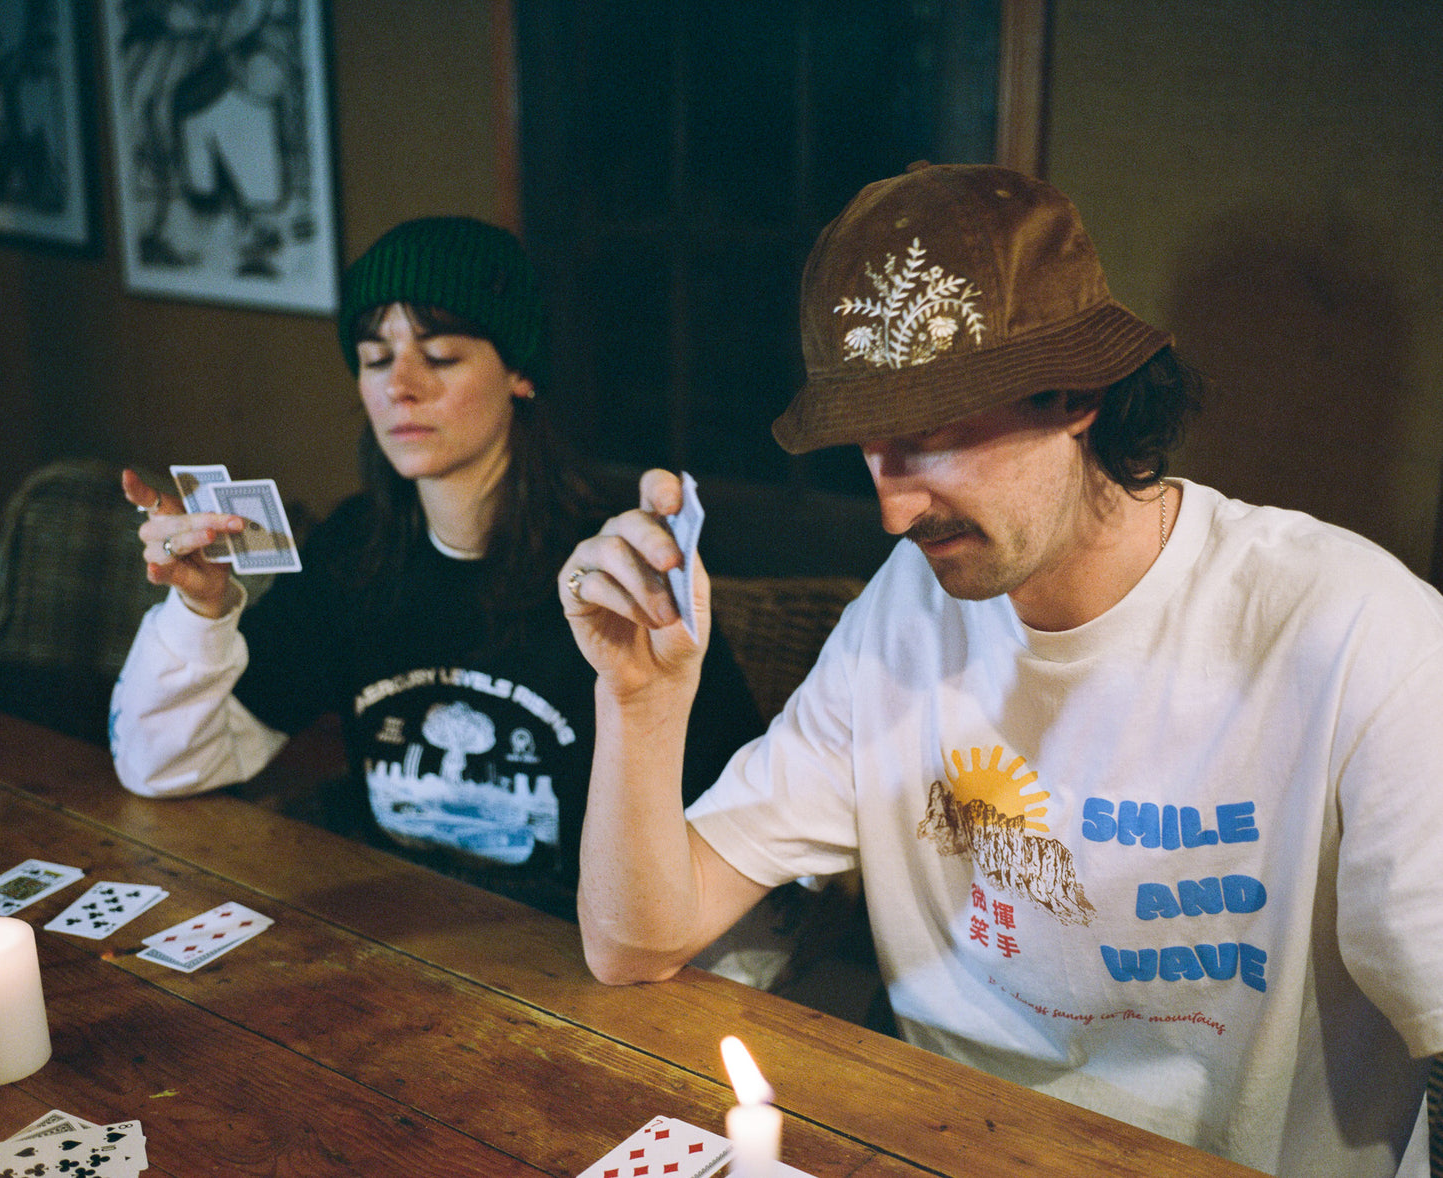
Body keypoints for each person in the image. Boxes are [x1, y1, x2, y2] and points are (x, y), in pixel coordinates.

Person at [557, 163, 1443, 1176]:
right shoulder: (902, 609)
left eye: (930, 441)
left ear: (1076, 393)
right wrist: (638, 701)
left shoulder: (1356, 632)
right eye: (868, 451)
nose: (894, 511)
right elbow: (635, 942)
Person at [110, 215, 762, 920]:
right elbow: (163, 767)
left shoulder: (612, 568)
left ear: (517, 372)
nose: (402, 386)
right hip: (392, 942)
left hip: (583, 953)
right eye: (374, 357)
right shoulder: (353, 551)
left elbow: (731, 828)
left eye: (441, 355)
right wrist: (200, 612)